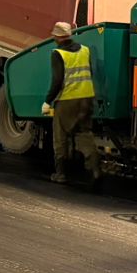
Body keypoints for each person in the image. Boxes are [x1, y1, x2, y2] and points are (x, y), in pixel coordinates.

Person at [41, 21, 101, 187]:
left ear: (58, 37)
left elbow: (57, 80)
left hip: (68, 100)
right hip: (86, 99)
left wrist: (47, 101)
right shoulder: (85, 50)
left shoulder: (58, 53)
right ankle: (95, 170)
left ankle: (60, 174)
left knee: (60, 138)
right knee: (85, 134)